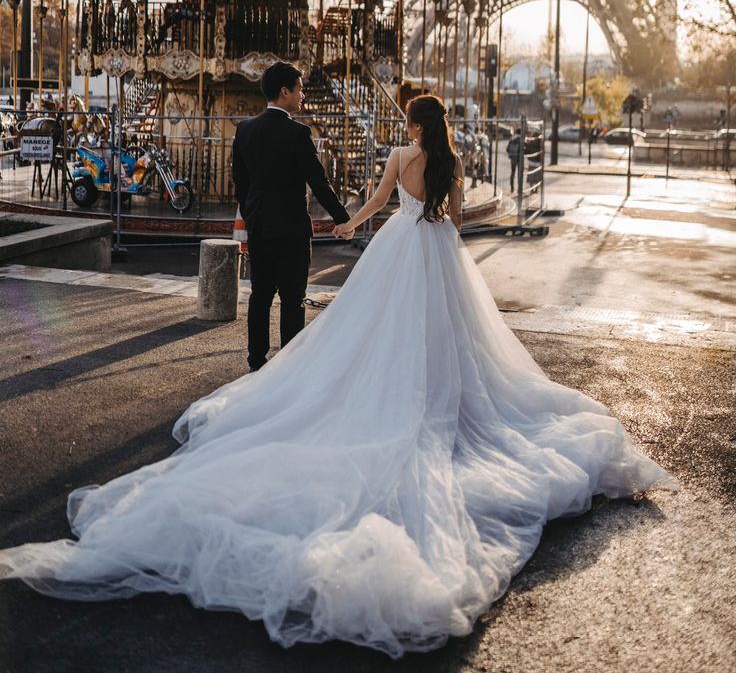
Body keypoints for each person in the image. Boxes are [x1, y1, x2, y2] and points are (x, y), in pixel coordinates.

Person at [0, 93, 673, 658]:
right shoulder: (446, 160)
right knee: (452, 338)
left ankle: (383, 395)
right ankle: (444, 400)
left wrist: (347, 224)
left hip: (399, 248)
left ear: (412, 123)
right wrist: (457, 219)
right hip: (438, 251)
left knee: (371, 332)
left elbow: (377, 204)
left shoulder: (400, 156)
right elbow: (460, 216)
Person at [231, 61, 352, 372]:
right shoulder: (297, 133)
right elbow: (318, 182)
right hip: (291, 230)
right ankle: (288, 367)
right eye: (299, 90)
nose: (302, 96)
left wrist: (252, 212)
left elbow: (240, 184)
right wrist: (342, 218)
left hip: (259, 226)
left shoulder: (245, 130)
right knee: (292, 299)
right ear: (284, 92)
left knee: (260, 296)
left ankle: (256, 362)